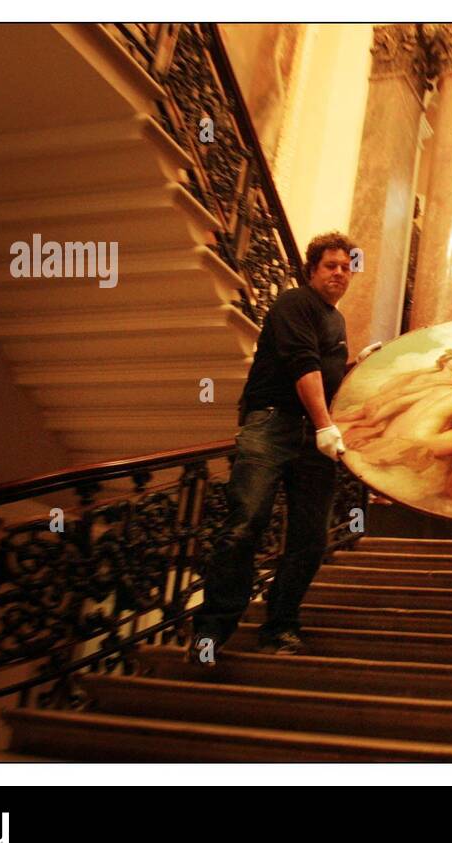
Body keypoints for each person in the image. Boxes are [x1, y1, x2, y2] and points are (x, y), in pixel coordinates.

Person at [188, 231, 364, 663]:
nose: (340, 272)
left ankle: (280, 625)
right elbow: (303, 365)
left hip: (312, 437)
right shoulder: (294, 303)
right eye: (331, 265)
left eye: (346, 266)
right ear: (312, 270)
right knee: (246, 523)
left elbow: (327, 377)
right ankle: (210, 636)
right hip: (272, 423)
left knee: (309, 538)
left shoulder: (335, 321)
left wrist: (360, 366)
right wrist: (326, 425)